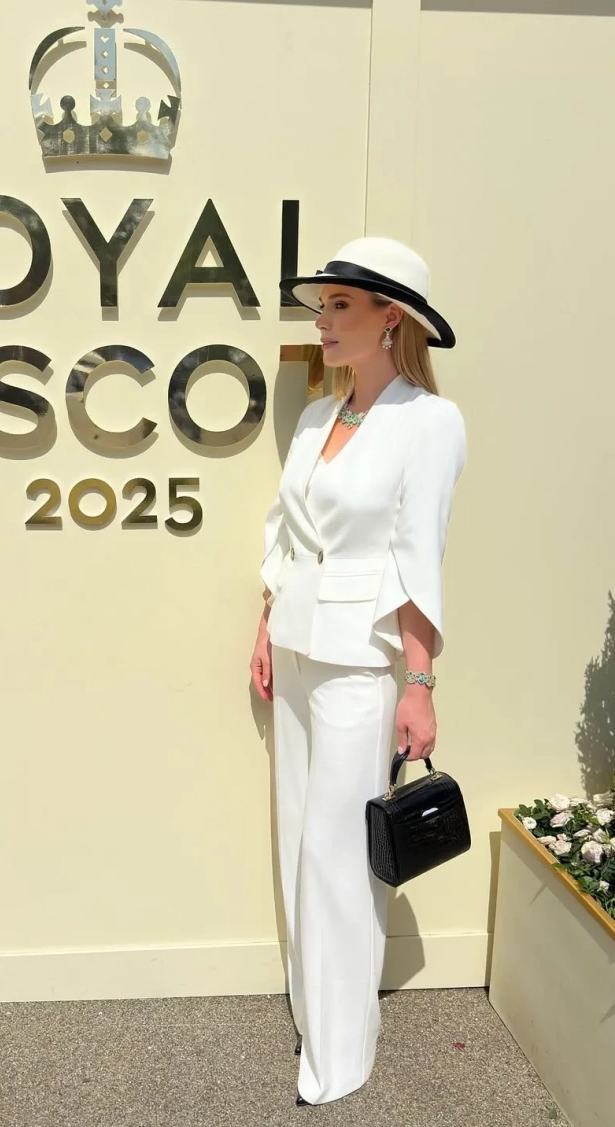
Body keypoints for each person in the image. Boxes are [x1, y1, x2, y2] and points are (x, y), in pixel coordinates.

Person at [250, 237, 466, 1106]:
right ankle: (318, 1013)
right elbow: (283, 531)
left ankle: (341, 1052)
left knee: (340, 855)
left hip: (359, 664)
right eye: (323, 305)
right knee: (296, 837)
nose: (324, 321)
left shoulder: (429, 422)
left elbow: (419, 559)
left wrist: (419, 684)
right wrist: (264, 624)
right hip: (296, 648)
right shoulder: (317, 417)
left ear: (392, 318)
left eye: (342, 305)